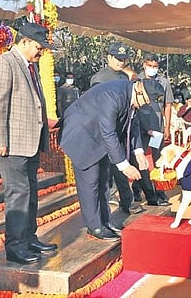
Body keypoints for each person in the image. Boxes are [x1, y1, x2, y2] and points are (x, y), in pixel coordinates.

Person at [0, 23, 57, 264]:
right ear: (24, 41)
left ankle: (29, 237)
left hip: (30, 142)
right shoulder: (4, 63)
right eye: (39, 47)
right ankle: (15, 246)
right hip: (12, 144)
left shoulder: (30, 66)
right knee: (18, 194)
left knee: (31, 192)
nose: (41, 52)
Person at [60, 79, 163, 240]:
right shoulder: (113, 95)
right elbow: (109, 132)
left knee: (103, 181)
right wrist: (124, 165)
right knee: (90, 181)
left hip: (99, 138)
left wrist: (139, 152)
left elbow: (132, 124)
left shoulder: (132, 96)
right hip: (83, 135)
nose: (145, 105)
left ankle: (105, 221)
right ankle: (94, 226)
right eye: (146, 101)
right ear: (140, 90)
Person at [89, 42, 140, 210]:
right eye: (118, 58)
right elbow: (96, 106)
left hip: (120, 130)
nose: (120, 62)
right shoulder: (99, 78)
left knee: (121, 165)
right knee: (106, 169)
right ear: (109, 57)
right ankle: (110, 199)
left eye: (124, 59)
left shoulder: (124, 77)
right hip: (104, 130)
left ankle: (127, 200)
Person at [131, 52, 173, 205]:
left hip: (156, 125)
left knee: (158, 158)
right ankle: (137, 188)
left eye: (155, 66)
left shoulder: (163, 82)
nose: (152, 69)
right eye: (150, 66)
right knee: (138, 156)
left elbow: (168, 105)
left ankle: (159, 190)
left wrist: (167, 126)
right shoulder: (136, 79)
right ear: (144, 64)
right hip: (139, 125)